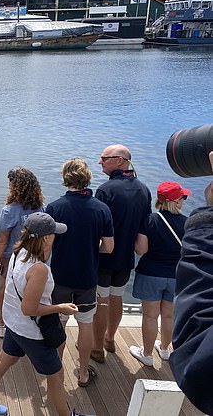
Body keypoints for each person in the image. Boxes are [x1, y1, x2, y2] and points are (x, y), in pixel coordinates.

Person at [0, 213, 88, 416]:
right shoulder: (39, 269)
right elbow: (30, 309)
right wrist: (60, 308)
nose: (55, 237)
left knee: (3, 359)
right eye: (53, 234)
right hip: (31, 332)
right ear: (45, 238)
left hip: (13, 323)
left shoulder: (19, 252)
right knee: (56, 373)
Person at [46, 158, 114, 387]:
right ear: (88, 179)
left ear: (66, 178)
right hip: (87, 279)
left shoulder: (54, 208)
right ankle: (83, 373)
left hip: (61, 277)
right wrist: (92, 248)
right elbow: (109, 247)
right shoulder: (102, 209)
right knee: (85, 324)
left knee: (60, 323)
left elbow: (47, 246)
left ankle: (55, 373)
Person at [92, 144, 151, 363]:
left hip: (104, 256)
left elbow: (97, 226)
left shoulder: (106, 190)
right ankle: (110, 338)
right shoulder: (144, 190)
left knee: (101, 300)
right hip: (126, 259)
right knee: (116, 297)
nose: (100, 162)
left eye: (104, 158)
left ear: (120, 160)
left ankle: (96, 348)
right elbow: (144, 229)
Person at [129, 181, 190, 367]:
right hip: (176, 276)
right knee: (169, 316)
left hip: (151, 274)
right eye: (183, 197)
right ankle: (164, 349)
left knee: (150, 317)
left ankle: (146, 354)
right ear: (176, 202)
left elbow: (141, 250)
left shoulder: (148, 221)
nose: (184, 201)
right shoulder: (188, 223)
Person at [172, 167, 213, 415]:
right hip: (175, 281)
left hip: (175, 280)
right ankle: (158, 349)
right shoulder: (180, 222)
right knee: (165, 316)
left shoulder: (155, 220)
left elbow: (200, 368)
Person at [0, 167, 45, 338]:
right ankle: (27, 323)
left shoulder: (9, 210)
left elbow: (2, 241)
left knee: (4, 289)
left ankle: (2, 324)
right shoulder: (41, 208)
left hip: (12, 258)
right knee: (31, 292)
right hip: (35, 258)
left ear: (15, 187)